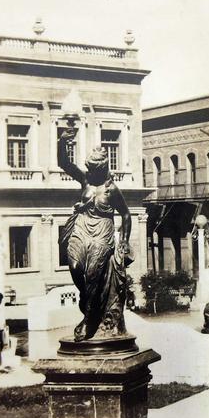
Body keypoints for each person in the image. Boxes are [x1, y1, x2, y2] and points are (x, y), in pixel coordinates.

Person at [58, 127, 133, 342]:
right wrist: (61, 142)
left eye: (95, 169)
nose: (91, 172)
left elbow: (126, 215)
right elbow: (64, 163)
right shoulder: (85, 181)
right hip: (82, 227)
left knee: (92, 273)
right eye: (89, 168)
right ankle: (86, 296)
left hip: (102, 231)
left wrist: (124, 241)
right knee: (74, 266)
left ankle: (89, 318)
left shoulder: (111, 189)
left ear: (103, 169)